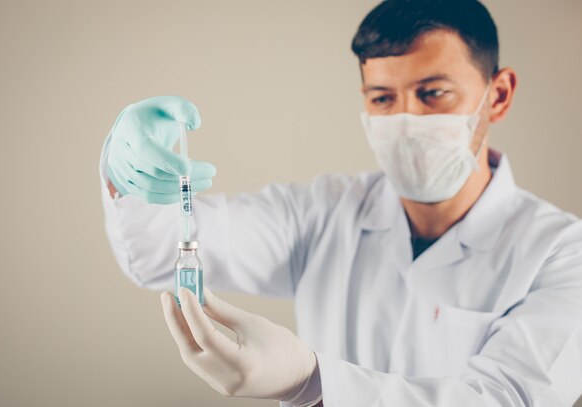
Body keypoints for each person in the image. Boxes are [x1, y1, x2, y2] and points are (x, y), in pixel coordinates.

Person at [99, 0, 582, 405]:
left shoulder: (563, 252)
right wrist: (129, 174)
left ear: (497, 95)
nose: (406, 120)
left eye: (432, 93)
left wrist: (312, 380)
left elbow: (507, 399)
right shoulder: (323, 211)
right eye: (382, 99)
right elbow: (159, 251)